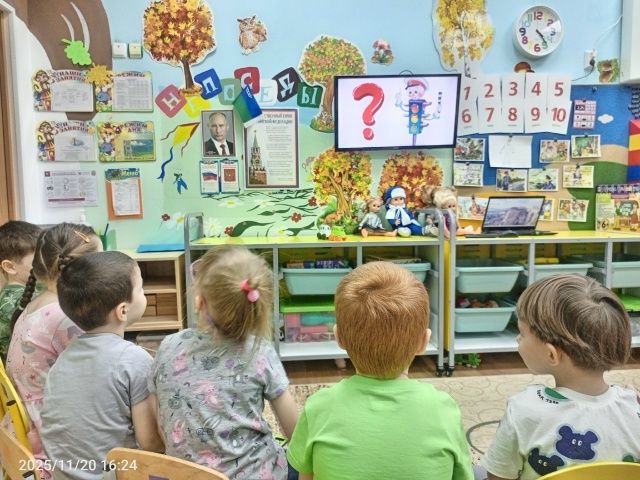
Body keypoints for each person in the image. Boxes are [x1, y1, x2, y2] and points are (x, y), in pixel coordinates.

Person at [287, 262, 474, 480]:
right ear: (424, 342)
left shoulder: (318, 406)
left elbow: (305, 477)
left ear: (339, 338)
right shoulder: (445, 409)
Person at [150, 245, 299, 480]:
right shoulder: (260, 353)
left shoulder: (168, 346)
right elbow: (295, 433)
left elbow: (161, 426)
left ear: (199, 301)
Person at [482, 274, 638, 480]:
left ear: (552, 355)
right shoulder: (635, 408)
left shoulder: (523, 409)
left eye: (522, 333)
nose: (518, 339)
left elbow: (498, 476)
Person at [40, 251, 164, 480]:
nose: (144, 293)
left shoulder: (64, 357)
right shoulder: (133, 359)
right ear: (123, 310)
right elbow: (151, 444)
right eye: (141, 289)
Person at [5, 223, 101, 479]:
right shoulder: (64, 316)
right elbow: (101, 373)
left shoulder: (36, 304)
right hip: (51, 437)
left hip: (26, 428)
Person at [0, 220, 42, 360]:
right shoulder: (31, 301)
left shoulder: (5, 295)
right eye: (37, 260)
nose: (46, 263)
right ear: (10, 267)